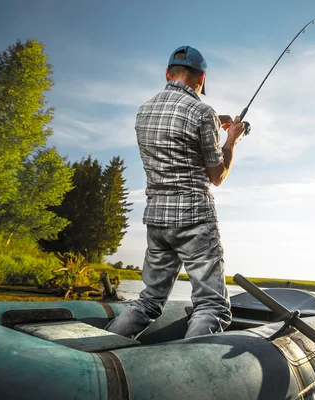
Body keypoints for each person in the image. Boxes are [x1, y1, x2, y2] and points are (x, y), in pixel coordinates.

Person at [105, 45, 246, 339]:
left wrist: (211, 123)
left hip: (156, 221)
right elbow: (217, 175)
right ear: (202, 78)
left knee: (148, 302)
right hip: (194, 220)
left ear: (168, 73)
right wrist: (231, 140)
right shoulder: (202, 112)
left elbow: (174, 131)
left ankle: (99, 352)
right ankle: (194, 379)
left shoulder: (144, 111)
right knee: (212, 306)